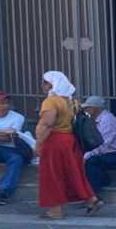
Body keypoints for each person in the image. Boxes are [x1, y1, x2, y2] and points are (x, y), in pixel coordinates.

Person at [33, 72, 100, 220]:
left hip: (54, 141)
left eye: (45, 82)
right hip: (70, 140)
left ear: (52, 84)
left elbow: (47, 124)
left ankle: (55, 210)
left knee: (52, 174)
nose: (43, 85)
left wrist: (38, 143)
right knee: (73, 172)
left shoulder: (51, 102)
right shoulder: (72, 101)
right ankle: (91, 199)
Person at [80, 96, 116, 197]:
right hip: (109, 153)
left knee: (91, 161)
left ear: (96, 108)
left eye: (88, 107)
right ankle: (102, 182)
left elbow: (103, 144)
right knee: (89, 160)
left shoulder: (107, 120)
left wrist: (86, 156)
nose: (85, 110)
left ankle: (94, 195)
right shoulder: (96, 119)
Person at [0, 90, 34, 205]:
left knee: (17, 159)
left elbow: (10, 136)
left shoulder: (18, 117)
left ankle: (3, 192)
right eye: (2, 103)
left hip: (10, 148)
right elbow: (7, 133)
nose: (5, 106)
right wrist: (5, 132)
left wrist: (5, 133)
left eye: (7, 103)